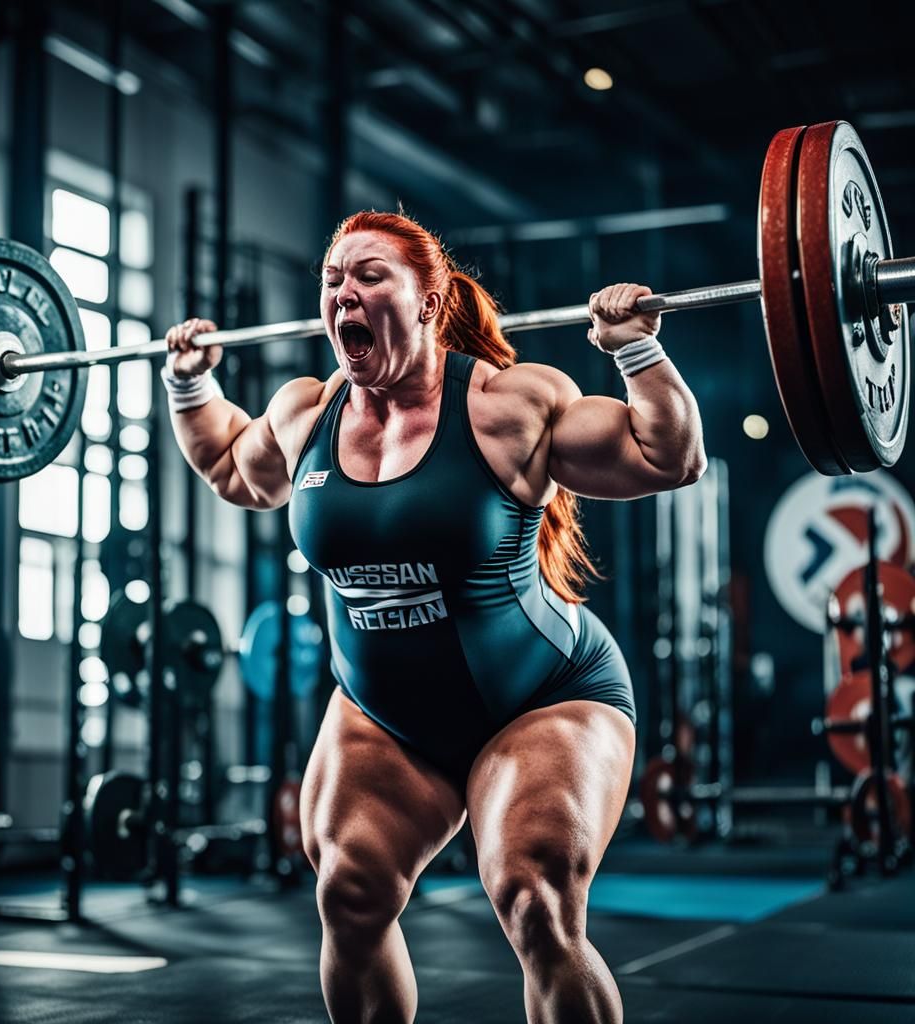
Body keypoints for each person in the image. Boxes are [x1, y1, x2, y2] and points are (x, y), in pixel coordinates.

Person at [163, 211, 706, 1024]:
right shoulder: (305, 412)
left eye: (371, 275)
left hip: (543, 697)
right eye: (333, 279)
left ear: (429, 299)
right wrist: (190, 383)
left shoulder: (507, 405)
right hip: (383, 715)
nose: (345, 292)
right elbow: (228, 466)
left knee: (534, 899)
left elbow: (669, 456)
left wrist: (636, 349)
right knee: (347, 894)